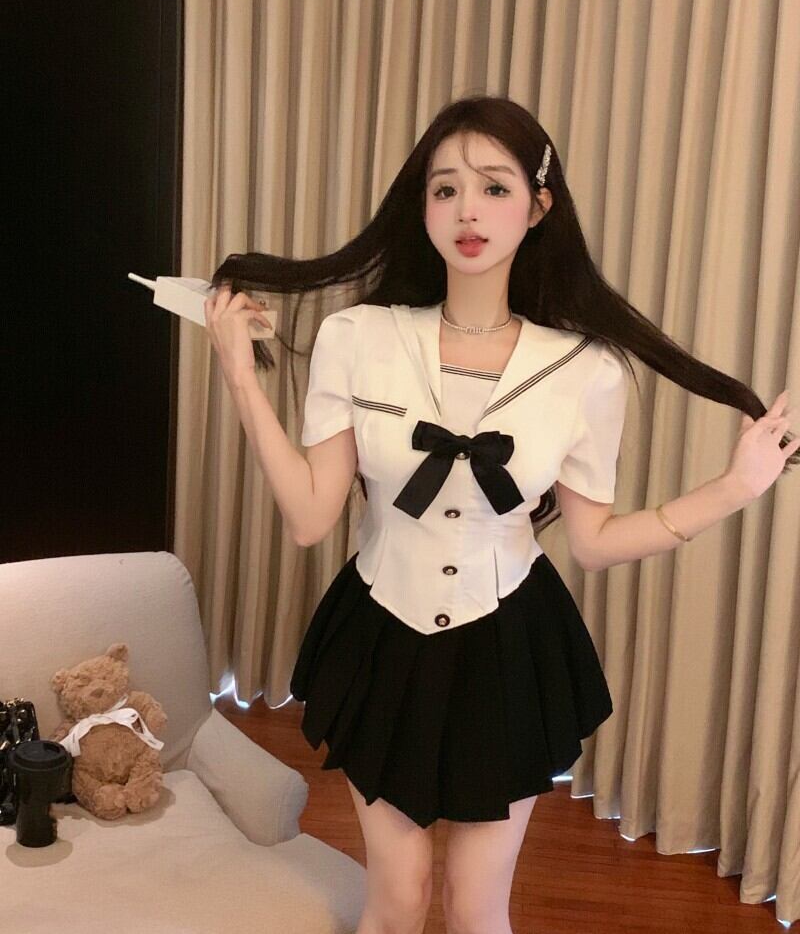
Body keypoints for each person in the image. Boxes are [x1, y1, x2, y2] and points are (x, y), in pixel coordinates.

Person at [203, 96, 798, 934]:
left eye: (493, 186)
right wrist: (240, 374)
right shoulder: (358, 337)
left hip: (507, 645)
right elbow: (309, 516)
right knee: (397, 898)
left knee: (477, 908)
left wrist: (734, 487)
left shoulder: (585, 369)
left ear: (538, 205)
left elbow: (593, 540)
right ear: (422, 208)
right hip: (382, 634)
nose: (468, 211)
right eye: (445, 189)